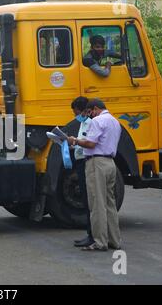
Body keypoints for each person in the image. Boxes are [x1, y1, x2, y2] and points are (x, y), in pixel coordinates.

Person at [68, 99, 122, 252]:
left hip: (96, 163)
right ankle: (114, 240)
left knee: (97, 204)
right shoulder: (115, 122)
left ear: (95, 109)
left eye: (90, 112)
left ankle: (100, 242)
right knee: (110, 203)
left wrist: (75, 141)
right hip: (111, 164)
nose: (89, 115)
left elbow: (90, 144)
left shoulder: (97, 121)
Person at [70, 97, 94, 248]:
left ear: (85, 110)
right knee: (86, 200)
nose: (75, 115)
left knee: (88, 199)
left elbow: (88, 143)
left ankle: (92, 235)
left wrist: (75, 142)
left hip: (86, 162)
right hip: (80, 160)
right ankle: (89, 233)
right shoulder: (84, 122)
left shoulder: (91, 123)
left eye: (77, 112)